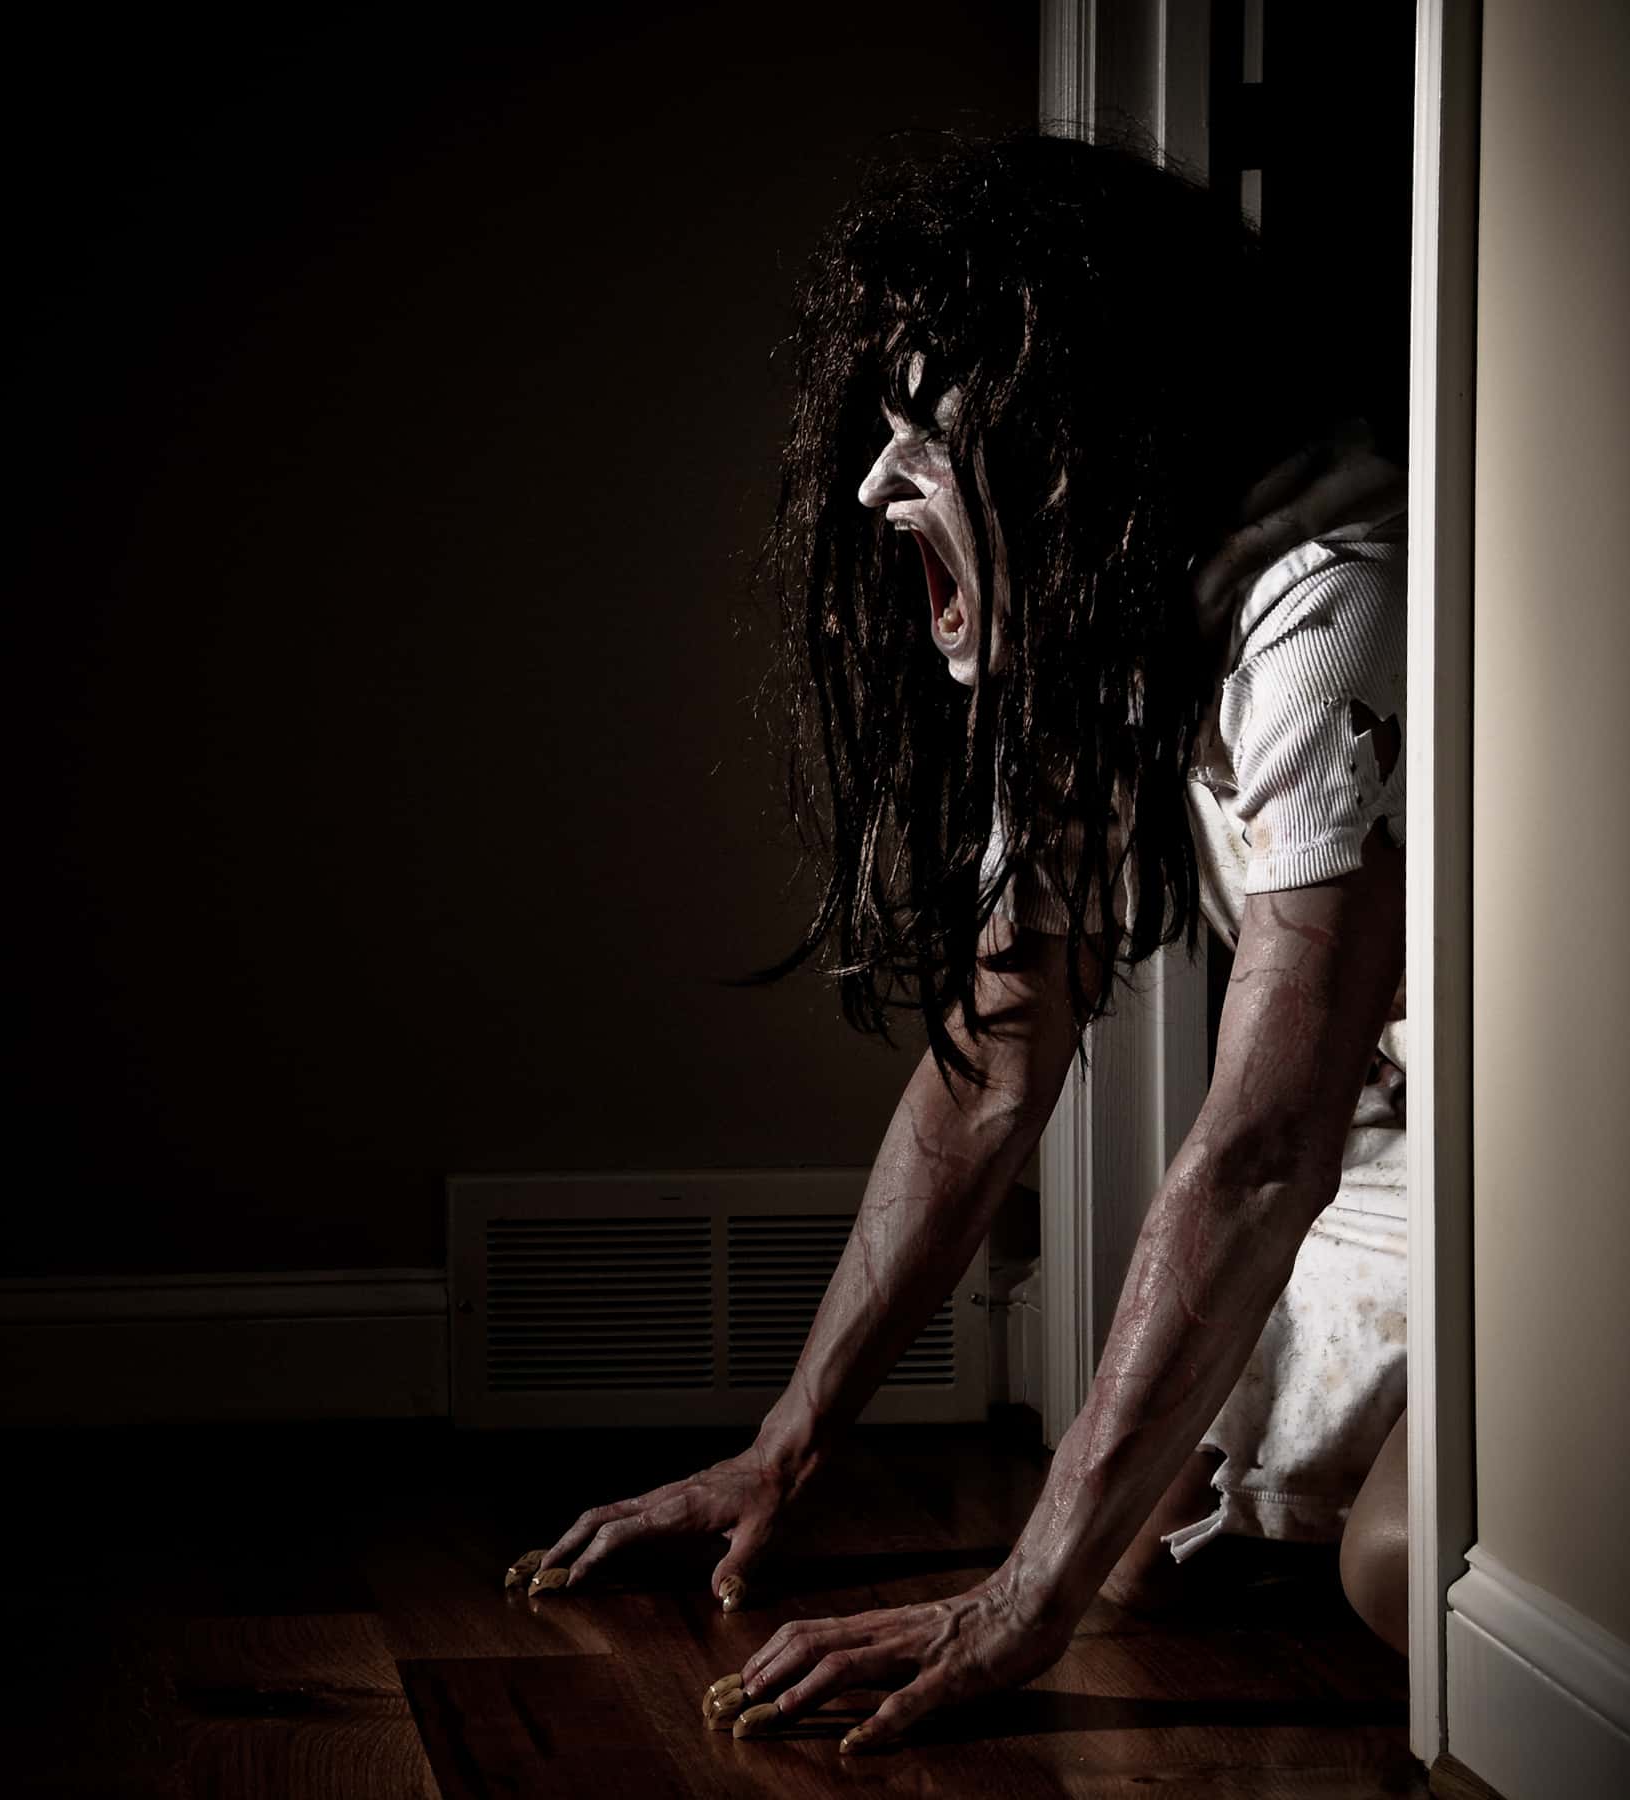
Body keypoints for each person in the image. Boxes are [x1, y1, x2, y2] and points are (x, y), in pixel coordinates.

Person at [522, 133, 1412, 1751]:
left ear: (1088, 438)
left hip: (1531, 1177)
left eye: (929, 436)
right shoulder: (1103, 614)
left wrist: (1013, 1607)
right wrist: (784, 1448)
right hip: (1371, 1157)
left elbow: (1264, 1144)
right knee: (1133, 1552)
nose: (875, 488)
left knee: (1402, 1570)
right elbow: (992, 1069)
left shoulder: (1332, 601)